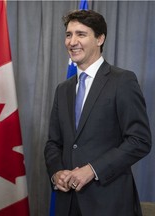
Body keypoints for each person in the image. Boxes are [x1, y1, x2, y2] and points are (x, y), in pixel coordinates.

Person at [44, 10, 151, 216]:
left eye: (81, 34)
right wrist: (56, 172)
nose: (72, 41)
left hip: (109, 202)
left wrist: (92, 170)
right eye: (68, 35)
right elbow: (53, 143)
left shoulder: (123, 81)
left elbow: (140, 140)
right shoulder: (63, 89)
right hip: (67, 203)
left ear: (100, 39)